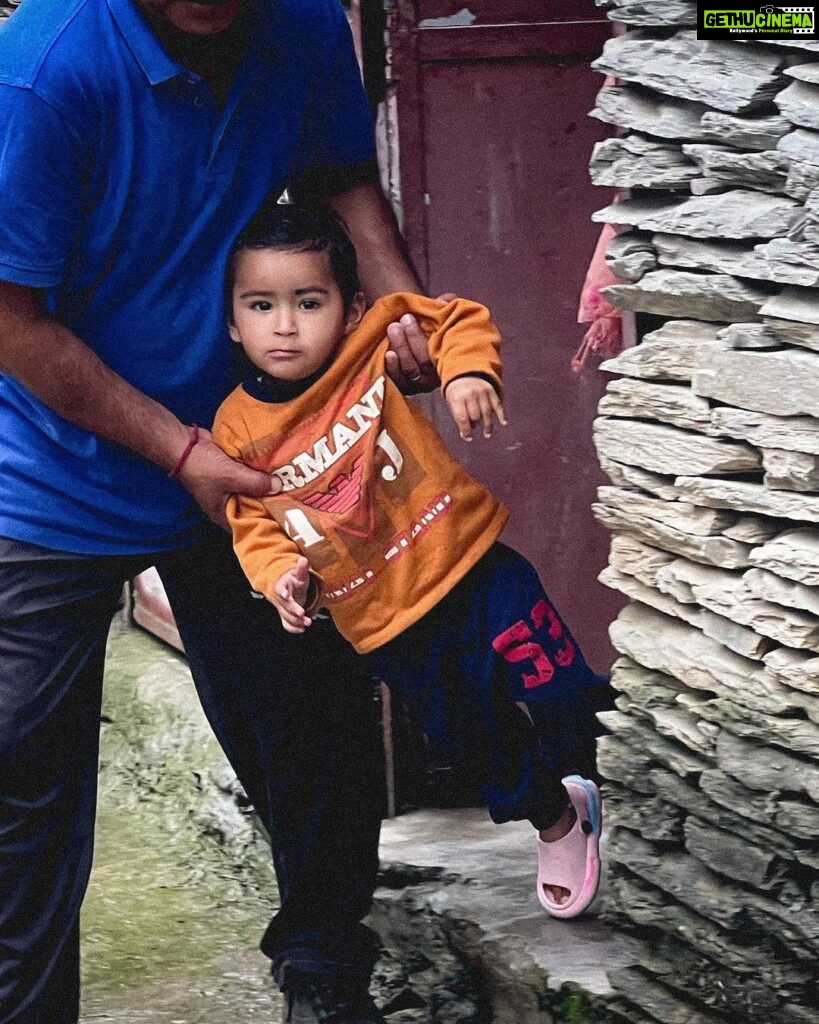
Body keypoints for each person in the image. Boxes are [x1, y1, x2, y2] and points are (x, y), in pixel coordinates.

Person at [0, 2, 438, 1023]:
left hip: (249, 454)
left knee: (315, 716)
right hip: (47, 473)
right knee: (21, 778)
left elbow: (343, 177)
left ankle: (327, 980)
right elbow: (10, 318)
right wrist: (176, 448)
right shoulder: (43, 71)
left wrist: (405, 307)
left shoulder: (301, 28)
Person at [212, 203, 615, 961]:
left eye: (309, 301)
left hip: (471, 568)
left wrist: (465, 373)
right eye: (260, 306)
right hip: (388, 625)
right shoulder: (236, 427)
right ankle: (556, 818)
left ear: (350, 306)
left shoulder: (372, 339)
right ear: (233, 322)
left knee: (560, 689)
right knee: (474, 740)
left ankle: (597, 777)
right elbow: (251, 517)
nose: (286, 326)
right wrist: (280, 578)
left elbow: (455, 318)